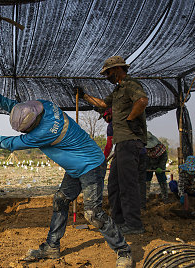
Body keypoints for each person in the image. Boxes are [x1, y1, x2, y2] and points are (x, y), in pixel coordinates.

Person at [0, 79, 133, 267]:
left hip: (91, 165)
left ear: (31, 128)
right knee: (61, 200)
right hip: (76, 167)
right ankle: (52, 246)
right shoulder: (44, 106)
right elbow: (16, 107)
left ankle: (124, 251)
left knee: (93, 214)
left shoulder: (42, 133)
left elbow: (10, 144)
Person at [75, 55, 148, 233]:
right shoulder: (117, 91)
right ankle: (119, 221)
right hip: (121, 144)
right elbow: (102, 104)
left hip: (130, 141)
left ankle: (133, 224)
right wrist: (83, 96)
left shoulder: (131, 85)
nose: (107, 77)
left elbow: (142, 101)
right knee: (114, 184)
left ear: (117, 69)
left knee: (127, 184)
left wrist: (131, 118)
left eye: (108, 73)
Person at [145, 131, 169, 203]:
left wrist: (161, 167)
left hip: (158, 165)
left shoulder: (161, 148)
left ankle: (165, 197)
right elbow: (142, 158)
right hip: (148, 166)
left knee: (162, 180)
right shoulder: (142, 148)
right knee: (146, 181)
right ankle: (145, 197)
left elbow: (164, 157)